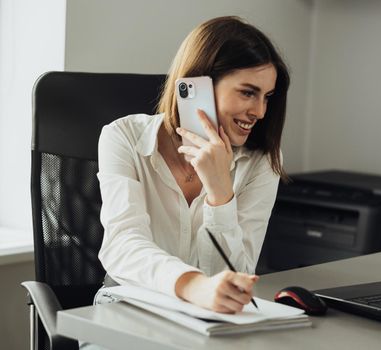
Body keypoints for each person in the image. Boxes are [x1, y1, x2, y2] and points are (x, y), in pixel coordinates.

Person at [96, 16, 290, 314]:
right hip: (128, 308)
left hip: (208, 319)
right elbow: (123, 245)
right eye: (248, 92)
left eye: (267, 97)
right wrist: (193, 285)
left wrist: (219, 192)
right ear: (197, 85)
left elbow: (233, 276)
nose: (261, 111)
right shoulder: (123, 137)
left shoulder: (262, 163)